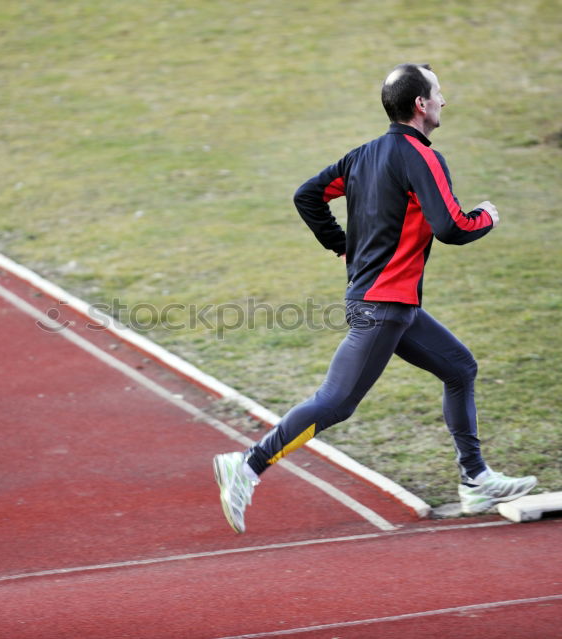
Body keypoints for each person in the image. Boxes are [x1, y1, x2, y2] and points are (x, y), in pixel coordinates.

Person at [213, 63, 536, 533]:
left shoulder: (361, 156)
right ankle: (247, 465)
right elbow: (451, 227)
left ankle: (475, 479)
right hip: (382, 308)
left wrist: (340, 243)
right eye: (439, 93)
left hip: (393, 306)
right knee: (335, 402)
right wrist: (487, 216)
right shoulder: (421, 157)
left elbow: (308, 196)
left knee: (460, 367)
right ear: (421, 105)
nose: (445, 101)